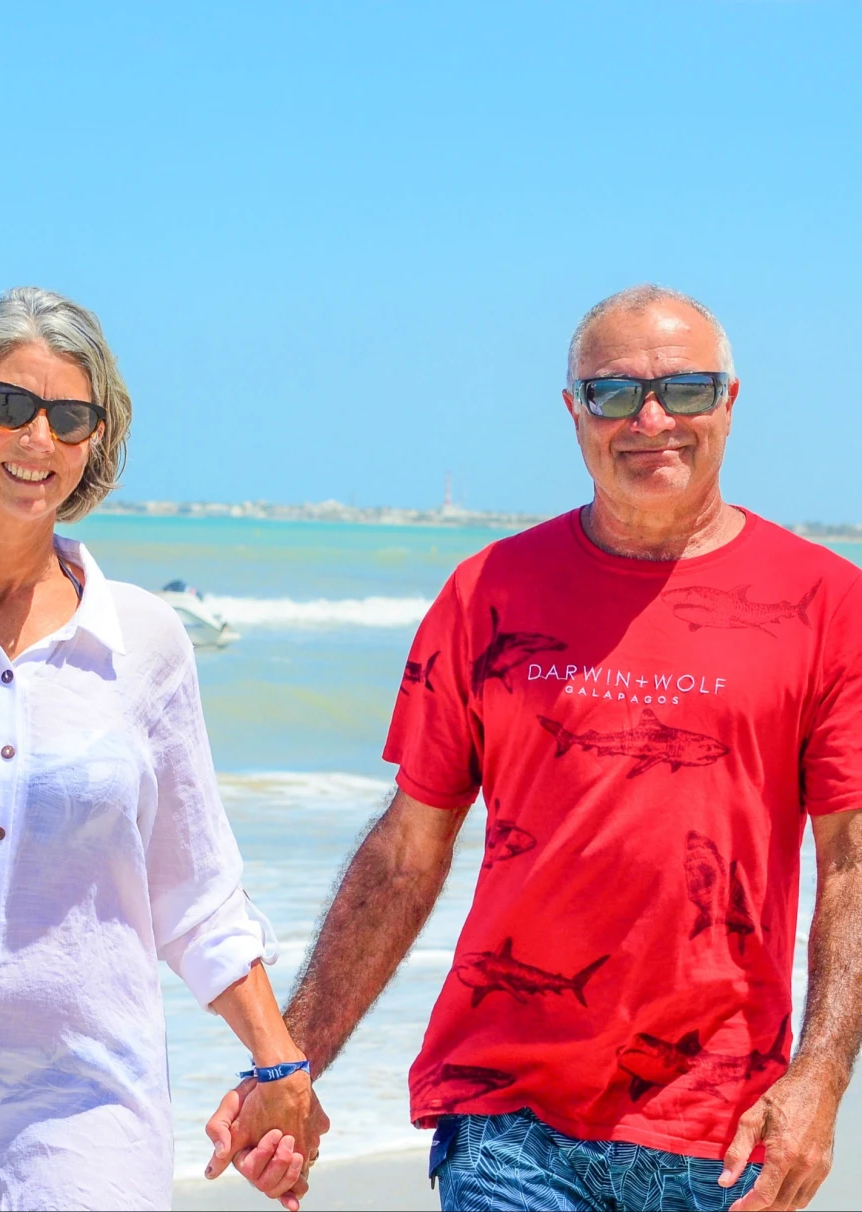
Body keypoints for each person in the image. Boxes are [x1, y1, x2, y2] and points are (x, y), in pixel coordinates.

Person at [213, 285, 862, 1212]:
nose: (649, 421)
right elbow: (407, 847)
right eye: (612, 393)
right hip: (509, 1114)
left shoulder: (829, 604)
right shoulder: (488, 593)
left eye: (684, 391)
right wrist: (291, 1058)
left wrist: (822, 1079)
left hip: (724, 1124)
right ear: (572, 411)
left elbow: (851, 866)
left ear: (729, 402)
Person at [0, 287, 326, 1212]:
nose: (36, 438)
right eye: (8, 404)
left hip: (81, 1122)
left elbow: (195, 890)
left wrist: (277, 1059)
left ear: (95, 443)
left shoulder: (147, 643)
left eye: (70, 417)